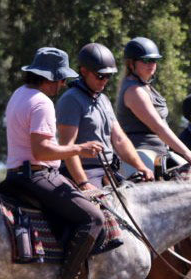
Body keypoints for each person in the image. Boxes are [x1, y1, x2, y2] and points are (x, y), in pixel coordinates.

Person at [4, 47, 105, 279]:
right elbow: (42, 150)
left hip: (14, 176)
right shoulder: (42, 102)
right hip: (37, 175)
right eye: (61, 79)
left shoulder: (19, 94)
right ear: (49, 78)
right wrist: (79, 149)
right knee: (93, 218)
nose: (63, 84)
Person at [56, 42, 154, 189]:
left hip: (108, 172)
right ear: (84, 71)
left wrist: (141, 167)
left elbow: (120, 139)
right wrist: (84, 183)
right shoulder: (71, 100)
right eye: (100, 76)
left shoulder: (103, 99)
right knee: (100, 212)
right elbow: (67, 146)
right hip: (83, 173)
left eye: (108, 76)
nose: (104, 81)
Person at [115, 36, 191, 174]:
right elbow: (158, 127)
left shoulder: (146, 86)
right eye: (146, 60)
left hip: (159, 153)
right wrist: (187, 153)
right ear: (131, 64)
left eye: (154, 60)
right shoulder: (135, 91)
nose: (151, 64)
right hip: (140, 155)